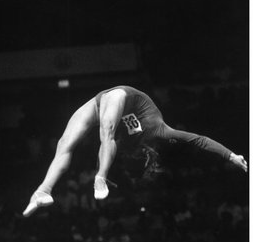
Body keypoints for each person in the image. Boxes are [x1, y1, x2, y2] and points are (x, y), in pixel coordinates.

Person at [23, 85, 247, 217]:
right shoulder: (161, 132)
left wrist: (107, 167)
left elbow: (107, 149)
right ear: (146, 156)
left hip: (100, 103)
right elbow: (199, 140)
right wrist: (231, 155)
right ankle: (99, 179)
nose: (128, 156)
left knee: (66, 143)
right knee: (105, 132)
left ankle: (43, 191)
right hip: (122, 95)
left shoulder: (124, 146)